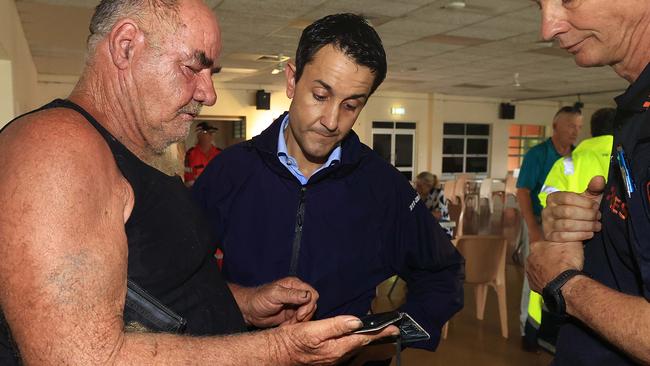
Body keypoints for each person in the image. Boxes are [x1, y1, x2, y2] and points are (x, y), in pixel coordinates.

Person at [0, 1, 398, 365]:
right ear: (125, 46)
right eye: (193, 68)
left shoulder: (145, 156)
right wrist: (281, 349)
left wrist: (244, 302)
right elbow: (78, 359)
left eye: (212, 73)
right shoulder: (56, 148)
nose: (208, 94)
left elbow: (154, 293)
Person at [193, 13, 464, 363]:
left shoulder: (383, 187)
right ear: (292, 80)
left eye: (351, 105)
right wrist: (244, 301)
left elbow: (444, 272)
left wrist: (388, 338)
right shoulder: (230, 171)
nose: (332, 120)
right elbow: (179, 273)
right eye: (320, 95)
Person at [528, 0, 650, 364]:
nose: (547, 28)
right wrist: (603, 222)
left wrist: (563, 284)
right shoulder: (637, 111)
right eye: (540, 5)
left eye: (568, 0)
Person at [527, 107, 615, 353]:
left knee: (564, 295)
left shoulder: (569, 162)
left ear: (591, 130)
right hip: (612, 247)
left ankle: (540, 337)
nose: (576, 131)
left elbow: (548, 202)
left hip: (568, 243)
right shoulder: (628, 159)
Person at [516, 106, 583, 350]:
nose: (576, 131)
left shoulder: (577, 157)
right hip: (538, 221)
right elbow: (522, 192)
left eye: (579, 126)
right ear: (556, 127)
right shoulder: (538, 155)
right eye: (571, 126)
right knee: (533, 276)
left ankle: (553, 329)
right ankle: (529, 328)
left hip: (565, 228)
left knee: (561, 276)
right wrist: (533, 230)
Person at [184, 121, 222, 187]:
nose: (211, 135)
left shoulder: (220, 154)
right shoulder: (190, 154)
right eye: (207, 132)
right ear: (199, 134)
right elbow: (186, 176)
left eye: (212, 132)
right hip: (196, 190)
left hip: (217, 190)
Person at [415, 172, 452, 237]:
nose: (416, 187)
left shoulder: (439, 193)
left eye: (419, 185)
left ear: (428, 185)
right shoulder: (419, 196)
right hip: (428, 228)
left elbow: (439, 215)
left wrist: (420, 214)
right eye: (416, 185)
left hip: (441, 230)